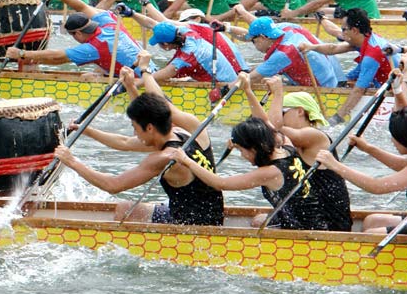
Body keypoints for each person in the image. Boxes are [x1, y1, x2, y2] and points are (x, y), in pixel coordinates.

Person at [54, 66, 225, 225]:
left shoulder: (163, 158)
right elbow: (124, 142)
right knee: (127, 208)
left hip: (192, 227)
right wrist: (86, 130)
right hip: (214, 215)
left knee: (124, 210)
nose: (134, 134)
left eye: (135, 128)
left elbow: (113, 185)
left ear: (150, 128)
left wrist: (72, 161)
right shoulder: (187, 133)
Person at [168, 116, 325, 230]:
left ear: (255, 148)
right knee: (257, 221)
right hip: (306, 219)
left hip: (306, 231)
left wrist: (187, 161)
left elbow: (220, 184)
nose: (242, 156)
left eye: (242, 150)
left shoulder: (271, 172)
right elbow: (269, 129)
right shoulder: (286, 147)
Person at [253, 77, 351, 231]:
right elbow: (265, 126)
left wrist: (278, 93)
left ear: (299, 111)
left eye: (282, 111)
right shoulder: (291, 140)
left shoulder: (314, 136)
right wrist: (247, 91)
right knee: (259, 220)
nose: (280, 117)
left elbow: (272, 130)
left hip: (328, 221)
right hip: (307, 212)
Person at [316, 101, 407, 236]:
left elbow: (376, 186)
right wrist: (367, 148)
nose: (391, 140)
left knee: (372, 234)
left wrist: (335, 165)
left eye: (394, 136)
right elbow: (401, 164)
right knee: (372, 221)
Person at [5, 0, 145, 77]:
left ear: (77, 33)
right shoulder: (109, 24)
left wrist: (22, 53)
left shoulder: (94, 47)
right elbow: (82, 6)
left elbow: (58, 56)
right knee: (92, 74)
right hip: (150, 71)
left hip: (140, 80)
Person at [300, 7, 397, 123]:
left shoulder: (373, 53)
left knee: (354, 84)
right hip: (380, 77)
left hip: (405, 88)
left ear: (354, 30)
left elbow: (359, 91)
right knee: (346, 80)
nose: (341, 33)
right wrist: (312, 46)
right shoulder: (363, 36)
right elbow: (334, 47)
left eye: (344, 29)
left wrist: (337, 118)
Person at [241, 15, 339, 88]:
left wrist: (227, 87)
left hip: (321, 89)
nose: (254, 45)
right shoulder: (287, 27)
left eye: (253, 41)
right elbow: (244, 36)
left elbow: (250, 79)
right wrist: (227, 28)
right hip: (332, 78)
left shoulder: (284, 53)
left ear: (263, 37)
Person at [147, 20, 244, 84]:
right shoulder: (187, 33)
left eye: (158, 43)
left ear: (165, 43)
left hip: (224, 86)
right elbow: (152, 23)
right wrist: (132, 13)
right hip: (226, 77)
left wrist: (137, 82)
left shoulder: (187, 55)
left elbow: (166, 73)